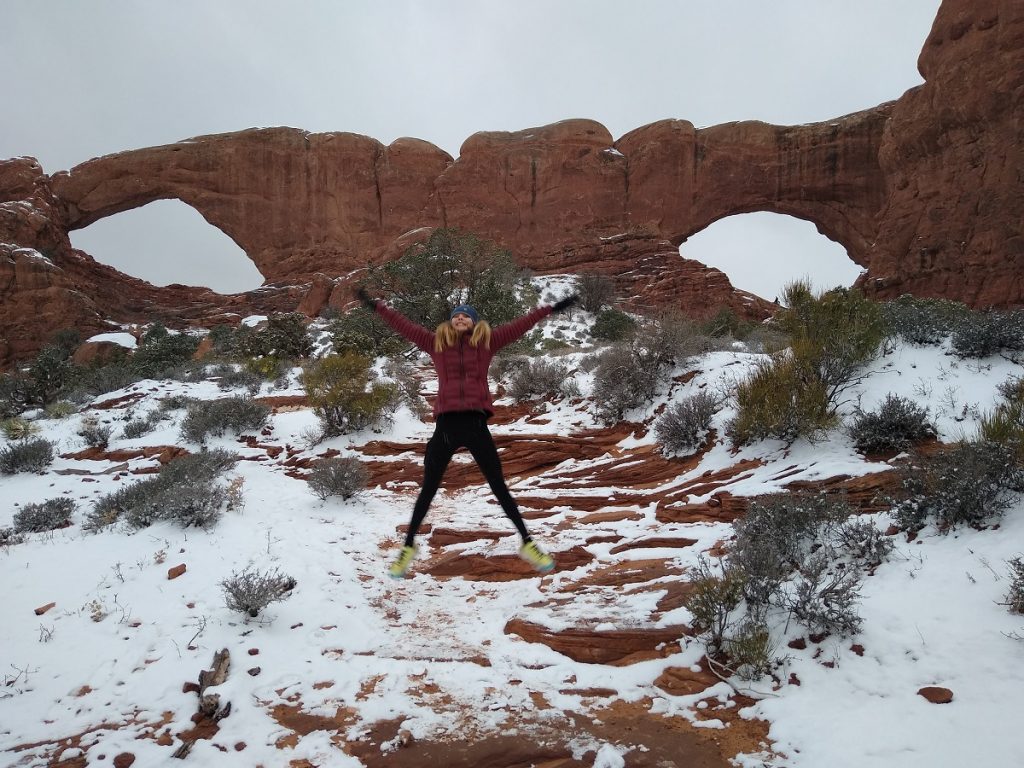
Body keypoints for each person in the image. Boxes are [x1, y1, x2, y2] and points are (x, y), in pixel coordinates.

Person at [356, 287, 578, 579]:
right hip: (446, 426)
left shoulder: (487, 343)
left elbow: (521, 324)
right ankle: (408, 548)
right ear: (450, 323)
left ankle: (528, 542)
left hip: (475, 425)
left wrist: (549, 309)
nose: (460, 318)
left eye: (466, 316)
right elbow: (404, 326)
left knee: (499, 486)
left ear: (474, 322)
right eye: (456, 316)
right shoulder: (435, 343)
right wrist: (378, 307)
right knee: (428, 489)